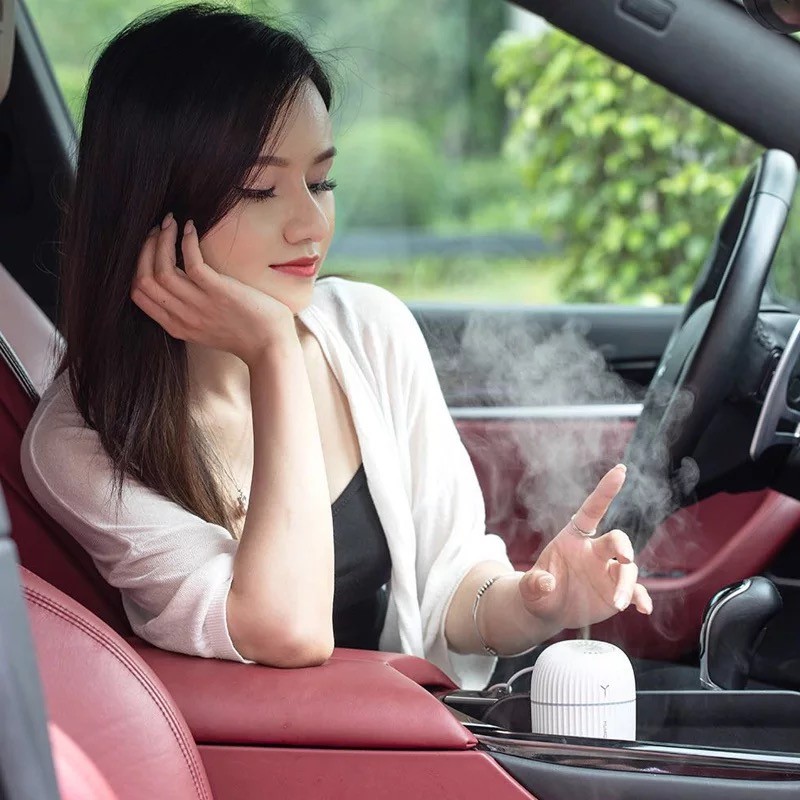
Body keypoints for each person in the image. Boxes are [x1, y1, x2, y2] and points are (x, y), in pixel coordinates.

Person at [20, 3, 651, 690]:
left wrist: (537, 604)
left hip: (397, 730)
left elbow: (450, 586)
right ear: (154, 208)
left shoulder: (371, 329)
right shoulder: (79, 444)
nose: (312, 224)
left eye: (320, 181)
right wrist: (273, 353)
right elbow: (287, 629)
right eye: (260, 190)